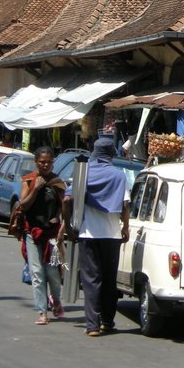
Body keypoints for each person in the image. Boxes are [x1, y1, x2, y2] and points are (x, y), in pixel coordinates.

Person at [66, 138, 130, 337]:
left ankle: (92, 325)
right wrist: (125, 227)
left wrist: (69, 226)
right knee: (110, 280)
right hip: (112, 235)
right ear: (111, 154)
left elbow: (67, 199)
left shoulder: (84, 174)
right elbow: (126, 205)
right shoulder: (120, 176)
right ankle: (107, 322)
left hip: (88, 234)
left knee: (91, 280)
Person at [18, 147, 66, 325]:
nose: (45, 165)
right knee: (37, 273)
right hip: (32, 233)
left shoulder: (57, 182)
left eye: (49, 162)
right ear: (36, 162)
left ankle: (57, 300)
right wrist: (35, 189)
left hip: (51, 234)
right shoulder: (29, 181)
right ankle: (42, 311)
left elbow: (64, 205)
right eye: (42, 162)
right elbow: (24, 205)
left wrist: (59, 220)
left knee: (53, 272)